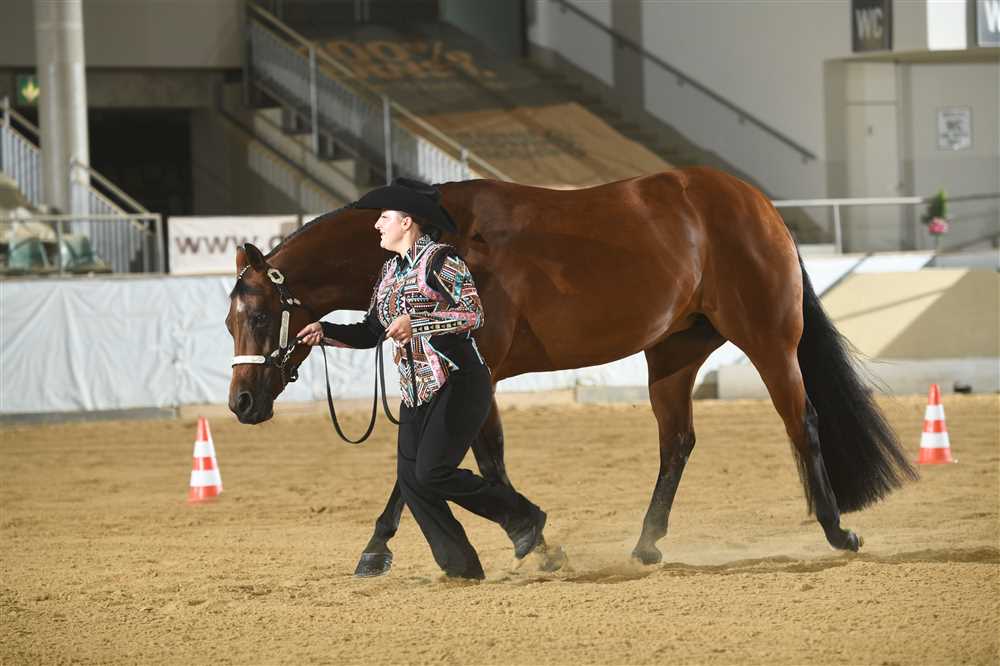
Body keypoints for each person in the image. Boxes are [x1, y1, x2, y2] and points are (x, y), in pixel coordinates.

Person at [297, 178, 546, 579]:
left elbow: (472, 315)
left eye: (384, 217)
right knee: (413, 482)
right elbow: (372, 331)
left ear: (407, 221)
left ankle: (522, 516)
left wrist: (417, 322)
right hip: (416, 392)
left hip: (460, 382)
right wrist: (325, 331)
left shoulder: (442, 261)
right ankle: (461, 567)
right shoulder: (389, 271)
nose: (377, 225)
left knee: (432, 472)